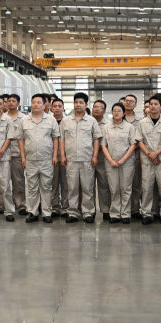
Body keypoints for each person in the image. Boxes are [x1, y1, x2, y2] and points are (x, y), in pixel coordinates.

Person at [60, 92, 102, 224]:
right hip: (71, 159)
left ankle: (88, 212)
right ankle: (73, 212)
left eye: (81, 103)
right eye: (76, 102)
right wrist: (62, 155)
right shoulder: (66, 121)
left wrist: (95, 156)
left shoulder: (92, 121)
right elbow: (62, 139)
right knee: (72, 187)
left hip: (87, 159)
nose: (78, 105)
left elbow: (96, 139)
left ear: (86, 105)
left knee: (87, 187)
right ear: (73, 104)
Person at [135, 95, 161, 225]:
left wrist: (156, 153)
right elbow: (139, 141)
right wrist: (149, 154)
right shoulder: (142, 123)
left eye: (155, 104)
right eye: (150, 104)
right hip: (147, 160)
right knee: (146, 188)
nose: (152, 106)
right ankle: (147, 213)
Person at [18, 94, 60, 223]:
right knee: (32, 187)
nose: (36, 104)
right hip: (30, 160)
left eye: (38, 102)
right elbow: (21, 140)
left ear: (44, 105)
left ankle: (47, 213)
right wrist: (23, 157)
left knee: (46, 187)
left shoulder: (51, 120)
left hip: (47, 159)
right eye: (33, 102)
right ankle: (33, 212)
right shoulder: (24, 120)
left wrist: (54, 156)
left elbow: (55, 138)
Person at [101, 102, 136, 224]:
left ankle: (125, 214)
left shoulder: (129, 127)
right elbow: (103, 145)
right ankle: (115, 213)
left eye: (119, 111)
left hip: (127, 162)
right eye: (114, 110)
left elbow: (133, 145)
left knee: (126, 188)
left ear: (124, 113)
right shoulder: (106, 127)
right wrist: (111, 160)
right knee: (114, 188)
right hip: (111, 163)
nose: (116, 113)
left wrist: (122, 160)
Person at [5, 94, 28, 216]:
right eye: (9, 101)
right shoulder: (2, 117)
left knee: (18, 180)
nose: (11, 103)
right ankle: (2, 204)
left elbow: (25, 137)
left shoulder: (24, 118)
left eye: (13, 101)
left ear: (18, 103)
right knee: (3, 182)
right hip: (3, 154)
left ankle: (20, 204)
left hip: (17, 153)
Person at [91, 99, 113, 221]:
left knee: (104, 185)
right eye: (95, 107)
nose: (97, 109)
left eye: (100, 108)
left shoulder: (109, 124)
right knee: (88, 186)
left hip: (103, 158)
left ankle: (106, 210)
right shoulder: (87, 121)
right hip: (88, 157)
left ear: (104, 111)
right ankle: (90, 210)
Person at [49, 97, 70, 218]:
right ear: (51, 108)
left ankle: (65, 207)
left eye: (59, 106)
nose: (57, 108)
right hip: (51, 156)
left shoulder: (68, 121)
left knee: (65, 182)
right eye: (55, 106)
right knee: (53, 182)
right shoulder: (47, 120)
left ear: (63, 108)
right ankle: (54, 206)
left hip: (66, 156)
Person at [123, 94, 143, 220]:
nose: (129, 103)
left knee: (136, 184)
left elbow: (141, 138)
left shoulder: (140, 120)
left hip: (136, 156)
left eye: (131, 101)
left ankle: (135, 209)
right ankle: (123, 209)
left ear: (135, 104)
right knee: (123, 185)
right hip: (120, 156)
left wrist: (133, 148)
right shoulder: (118, 117)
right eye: (127, 101)